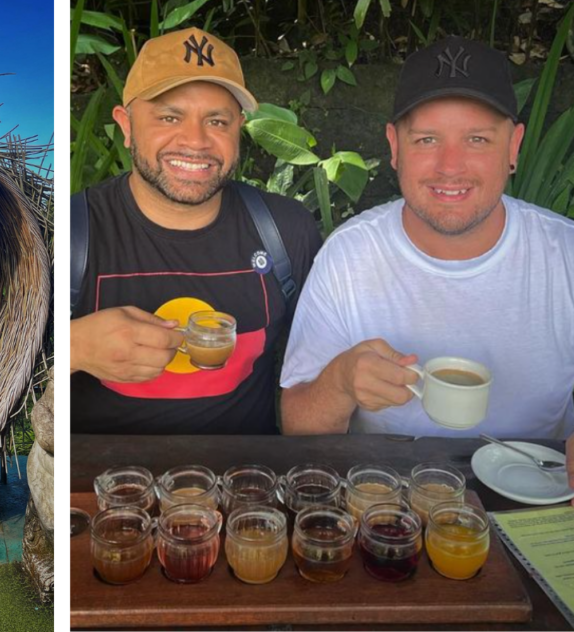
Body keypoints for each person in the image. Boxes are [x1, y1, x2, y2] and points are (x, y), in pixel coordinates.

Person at [279, 36, 574, 487]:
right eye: (427, 139)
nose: (449, 166)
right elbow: (297, 426)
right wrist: (339, 382)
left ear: (513, 147)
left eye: (477, 139)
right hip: (386, 507)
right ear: (394, 146)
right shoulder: (350, 255)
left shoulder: (565, 254)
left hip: (538, 505)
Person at [70, 27, 323, 434]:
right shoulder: (72, 233)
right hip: (99, 488)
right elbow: (7, 363)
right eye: (169, 116)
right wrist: (74, 345)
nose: (196, 141)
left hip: (244, 485)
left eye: (217, 120)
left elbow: (318, 375)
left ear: (239, 127)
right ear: (127, 124)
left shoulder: (285, 230)